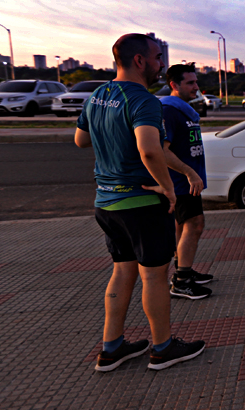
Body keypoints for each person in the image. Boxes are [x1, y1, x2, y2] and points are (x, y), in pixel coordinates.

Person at [75, 34, 206, 372]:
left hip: (106, 202)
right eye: (158, 57)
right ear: (139, 61)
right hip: (140, 203)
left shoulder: (97, 96)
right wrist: (168, 188)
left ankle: (112, 346)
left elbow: (80, 139)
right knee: (154, 276)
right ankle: (162, 348)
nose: (161, 64)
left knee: (122, 271)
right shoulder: (144, 100)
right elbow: (150, 149)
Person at [161, 64, 212, 300]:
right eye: (190, 83)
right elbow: (162, 150)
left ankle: (185, 271)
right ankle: (181, 281)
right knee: (195, 224)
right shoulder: (169, 110)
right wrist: (190, 173)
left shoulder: (184, 110)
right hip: (180, 182)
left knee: (183, 227)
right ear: (174, 85)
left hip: (188, 181)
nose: (196, 87)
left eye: (195, 82)